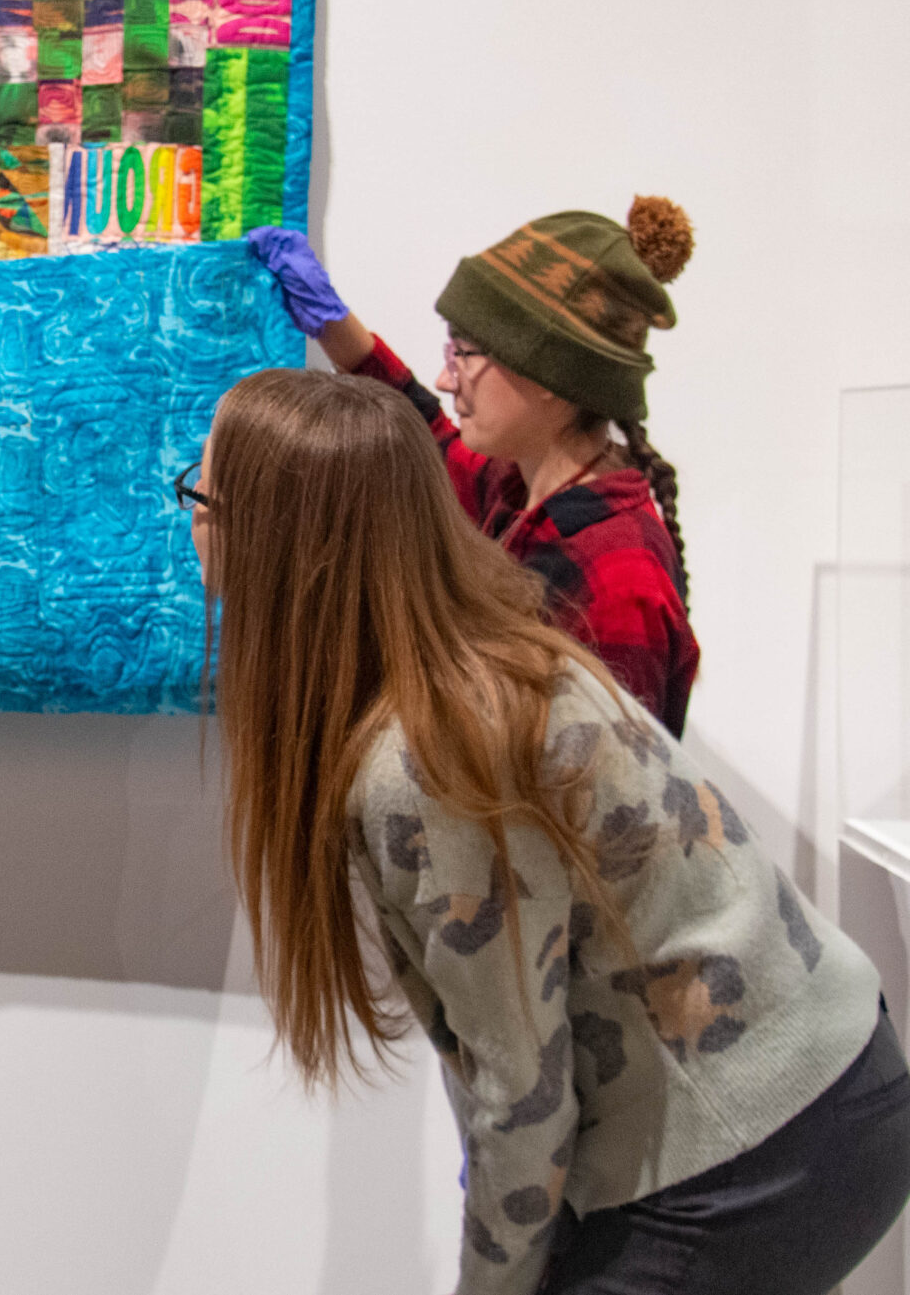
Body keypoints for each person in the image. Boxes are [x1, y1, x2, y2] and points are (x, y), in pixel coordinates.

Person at [186, 368, 910, 1294]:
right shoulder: (471, 661)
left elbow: (521, 1097)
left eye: (203, 495)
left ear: (286, 541)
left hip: (762, 1141)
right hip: (825, 1086)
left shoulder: (424, 759)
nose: (192, 519)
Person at [247, 199, 699, 734]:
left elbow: (610, 803)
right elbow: (426, 437)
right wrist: (332, 324)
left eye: (464, 353)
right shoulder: (515, 488)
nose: (445, 378)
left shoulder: (619, 585)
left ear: (551, 376)